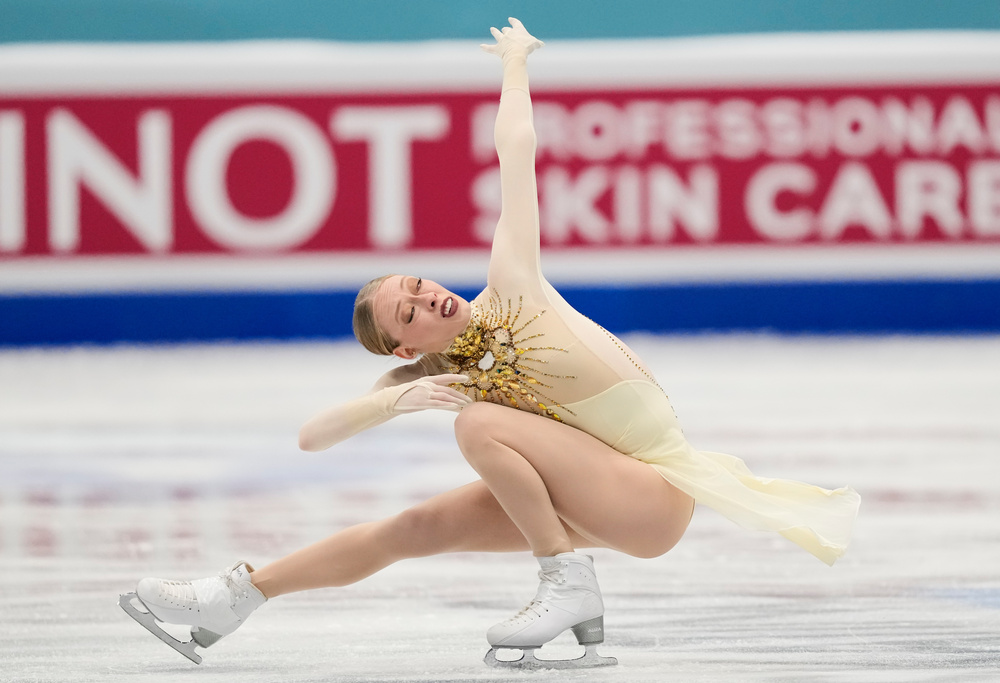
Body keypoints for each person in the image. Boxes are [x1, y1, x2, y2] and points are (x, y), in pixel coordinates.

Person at [121, 18, 861, 669]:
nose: (423, 296)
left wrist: (514, 67)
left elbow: (517, 152)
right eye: (406, 313)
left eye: (413, 284)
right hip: (596, 486)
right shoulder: (432, 379)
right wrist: (399, 400)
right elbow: (314, 438)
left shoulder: (512, 287)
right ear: (405, 348)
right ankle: (236, 594)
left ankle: (564, 582)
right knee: (411, 526)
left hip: (654, 493)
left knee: (478, 422)